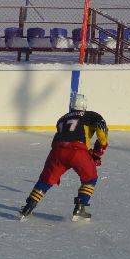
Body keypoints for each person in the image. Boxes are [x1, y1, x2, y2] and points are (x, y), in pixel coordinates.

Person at [18, 93, 109, 222]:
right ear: (85, 106)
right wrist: (97, 153)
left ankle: (28, 207)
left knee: (45, 180)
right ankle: (80, 207)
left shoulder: (62, 118)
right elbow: (102, 133)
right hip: (77, 151)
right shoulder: (91, 115)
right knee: (90, 178)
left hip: (57, 151)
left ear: (71, 105)